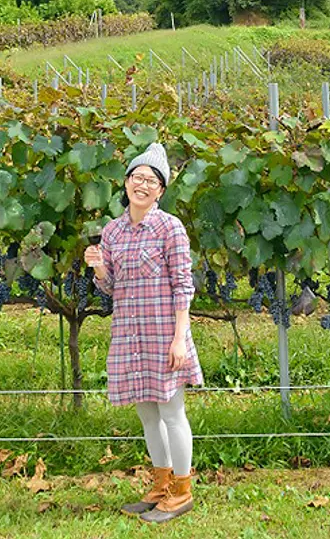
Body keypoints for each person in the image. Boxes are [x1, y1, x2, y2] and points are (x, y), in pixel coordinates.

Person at [83, 142, 203, 523]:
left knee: (172, 412)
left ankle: (181, 491)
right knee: (148, 416)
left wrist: (180, 338)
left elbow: (184, 285)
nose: (143, 184)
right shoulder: (113, 231)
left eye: (151, 180)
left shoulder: (171, 227)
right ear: (126, 182)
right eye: (137, 176)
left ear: (161, 190)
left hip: (164, 333)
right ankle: (160, 484)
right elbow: (112, 287)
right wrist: (99, 268)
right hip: (129, 334)